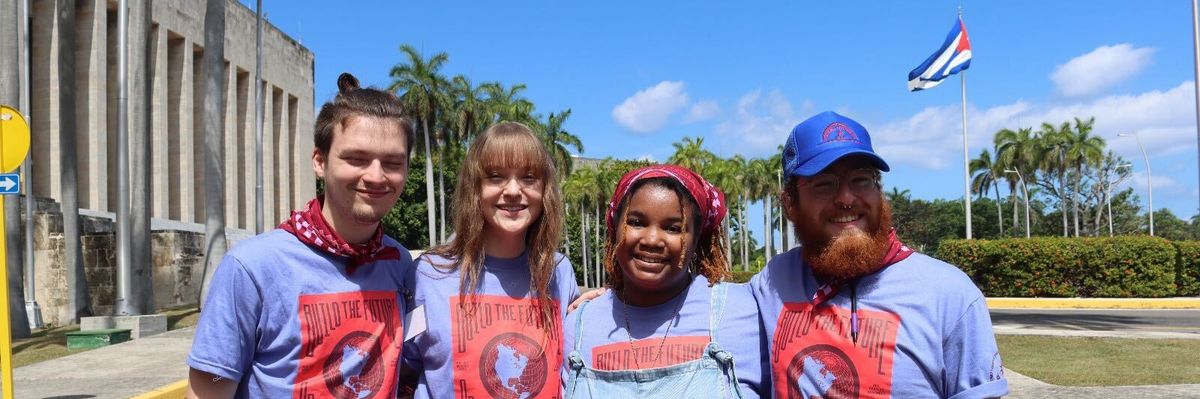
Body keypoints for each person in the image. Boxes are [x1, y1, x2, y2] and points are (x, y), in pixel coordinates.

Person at [748, 111, 1009, 398]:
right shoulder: (772, 283)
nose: (846, 198)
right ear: (789, 203)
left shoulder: (949, 295)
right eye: (824, 183)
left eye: (861, 180)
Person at [187, 73, 416, 398]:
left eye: (393, 162)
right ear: (319, 161)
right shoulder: (252, 268)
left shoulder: (400, 264)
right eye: (356, 159)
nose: (376, 175)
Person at [404, 122, 579, 399]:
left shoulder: (559, 272)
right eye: (496, 177)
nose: (512, 190)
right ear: (474, 188)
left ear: (545, 190)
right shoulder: (429, 273)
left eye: (528, 177)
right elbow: (402, 370)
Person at [563, 165, 766, 398]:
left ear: (696, 237)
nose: (652, 239)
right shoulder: (580, 323)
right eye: (637, 222)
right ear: (615, 227)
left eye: (672, 228)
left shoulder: (741, 311)